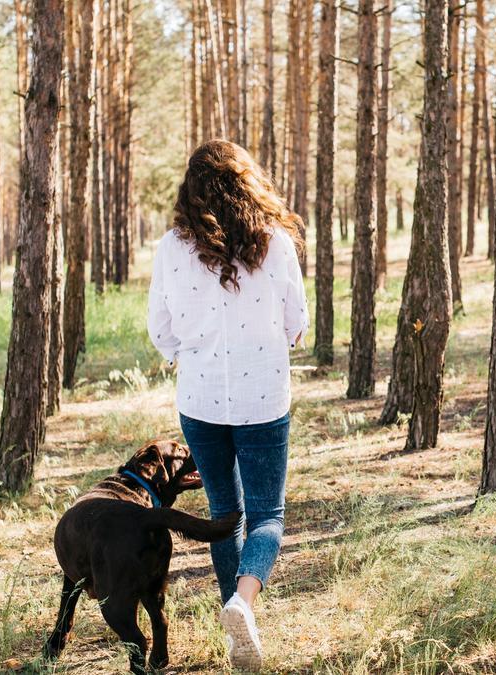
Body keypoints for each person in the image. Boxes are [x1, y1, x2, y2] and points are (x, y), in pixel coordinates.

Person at [147, 139, 308, 670]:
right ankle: (244, 602)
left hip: (201, 399)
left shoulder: (173, 247)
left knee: (224, 513)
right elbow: (295, 323)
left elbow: (160, 331)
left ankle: (237, 622)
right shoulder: (276, 242)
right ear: (247, 183)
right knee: (267, 514)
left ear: (190, 192)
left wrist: (189, 355)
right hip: (264, 397)